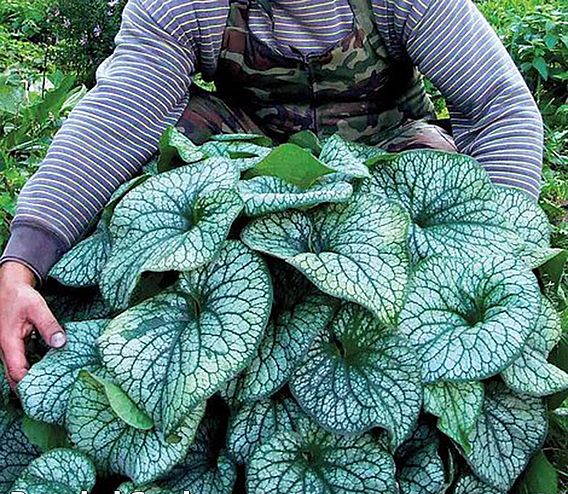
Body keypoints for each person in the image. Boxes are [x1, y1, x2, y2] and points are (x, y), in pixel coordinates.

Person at [0, 0, 544, 386]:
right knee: (176, 126)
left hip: (387, 151)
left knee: (443, 170)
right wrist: (23, 262)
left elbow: (500, 107)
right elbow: (120, 115)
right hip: (258, 162)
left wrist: (497, 255)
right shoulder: (188, 4)